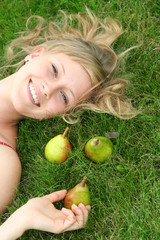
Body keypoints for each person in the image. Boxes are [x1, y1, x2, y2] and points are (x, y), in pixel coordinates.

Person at [0, 8, 138, 238]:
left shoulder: (4, 163)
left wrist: (19, 221)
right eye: (54, 70)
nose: (49, 89)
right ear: (36, 54)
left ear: (59, 114)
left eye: (63, 97)